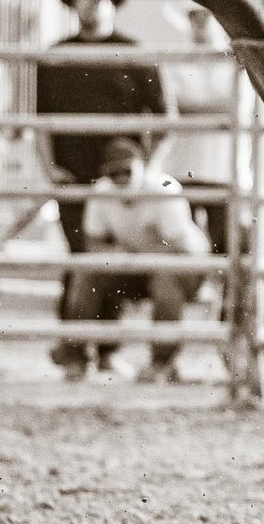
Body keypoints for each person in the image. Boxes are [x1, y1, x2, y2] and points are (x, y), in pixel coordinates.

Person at [35, 0, 171, 365]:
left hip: (120, 178)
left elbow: (164, 118)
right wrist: (49, 168)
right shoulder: (56, 56)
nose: (89, 6)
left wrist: (149, 169)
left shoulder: (135, 52)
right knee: (82, 258)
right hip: (73, 175)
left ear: (113, 4)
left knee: (113, 259)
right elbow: (40, 120)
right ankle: (76, 347)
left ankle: (104, 349)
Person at [59, 137, 213, 381]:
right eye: (114, 173)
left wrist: (127, 254)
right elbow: (92, 244)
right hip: (139, 265)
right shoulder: (102, 192)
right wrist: (121, 255)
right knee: (86, 273)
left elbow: (178, 249)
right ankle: (78, 356)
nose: (121, 178)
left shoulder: (163, 189)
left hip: (186, 266)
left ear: (142, 166)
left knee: (166, 278)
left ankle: (162, 362)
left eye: (126, 171)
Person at [160, 1, 238, 254]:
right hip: (182, 169)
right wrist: (217, 111)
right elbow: (171, 111)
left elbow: (237, 111)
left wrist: (190, 110)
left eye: (206, 14)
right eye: (194, 16)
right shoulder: (175, 61)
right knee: (185, 247)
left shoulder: (236, 62)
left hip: (225, 169)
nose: (200, 22)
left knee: (226, 247)